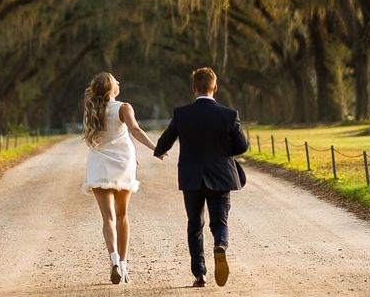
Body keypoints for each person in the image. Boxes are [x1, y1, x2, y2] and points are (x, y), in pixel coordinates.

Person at [154, 66, 248, 288]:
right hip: (221, 176)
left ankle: (200, 274)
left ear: (194, 88)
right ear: (215, 87)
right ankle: (221, 245)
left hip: (191, 177)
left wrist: (159, 152)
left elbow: (164, 142)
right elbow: (241, 146)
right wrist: (221, 150)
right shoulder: (229, 114)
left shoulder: (182, 114)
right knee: (219, 221)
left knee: (195, 224)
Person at [82, 72, 158, 285]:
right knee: (122, 215)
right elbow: (135, 130)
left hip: (99, 164)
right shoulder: (124, 107)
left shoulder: (92, 109)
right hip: (123, 164)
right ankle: (123, 265)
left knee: (108, 218)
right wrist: (156, 148)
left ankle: (113, 259)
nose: (119, 83)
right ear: (111, 88)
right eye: (116, 81)